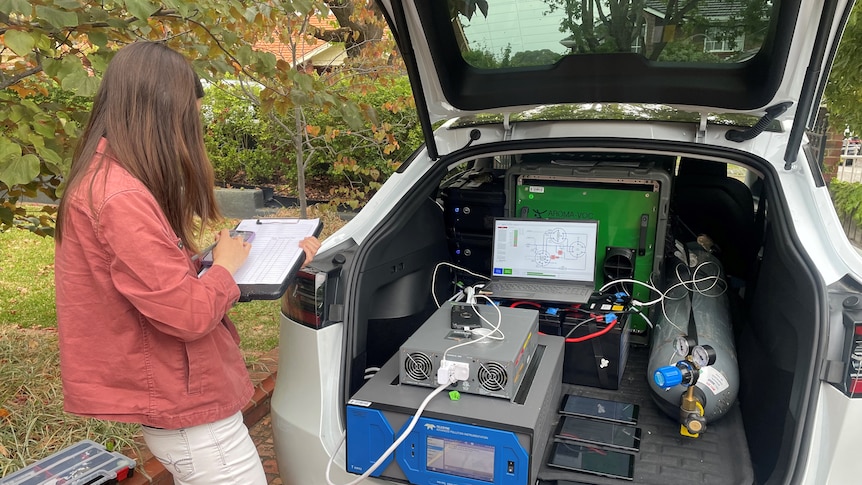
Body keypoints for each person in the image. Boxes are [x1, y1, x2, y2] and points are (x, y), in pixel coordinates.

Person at [54, 41, 319, 485]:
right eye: (188, 120)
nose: (192, 133)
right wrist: (223, 269)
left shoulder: (108, 180)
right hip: (191, 415)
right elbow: (188, 314)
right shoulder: (119, 197)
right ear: (159, 117)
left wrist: (210, 261)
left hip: (183, 410)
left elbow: (151, 280)